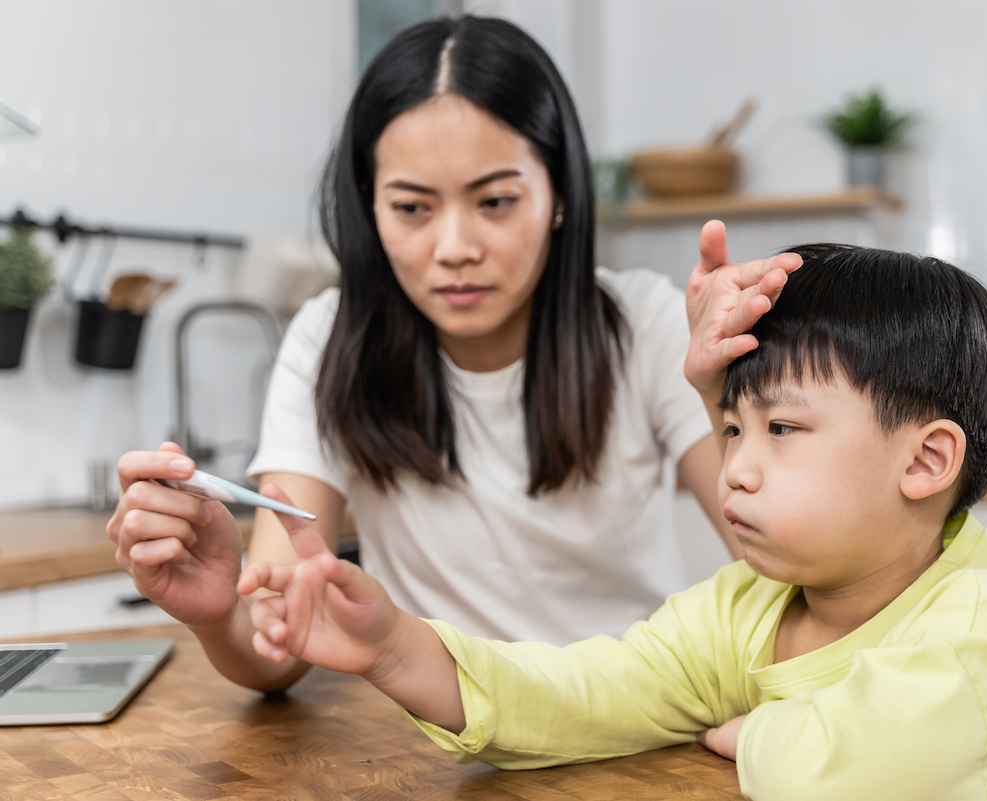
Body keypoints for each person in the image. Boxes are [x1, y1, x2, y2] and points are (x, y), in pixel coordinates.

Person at [236, 244, 987, 800]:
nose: (739, 467)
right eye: (730, 428)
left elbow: (840, 771)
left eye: (781, 430)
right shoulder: (747, 605)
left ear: (926, 461)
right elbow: (588, 692)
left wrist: (756, 732)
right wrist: (395, 648)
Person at [107, 16, 800, 691]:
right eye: (412, 208)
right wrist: (218, 614)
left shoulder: (645, 324)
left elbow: (786, 567)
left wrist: (725, 391)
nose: (455, 247)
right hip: (433, 736)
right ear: (368, 206)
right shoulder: (329, 337)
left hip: (630, 717)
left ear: (559, 193)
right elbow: (280, 641)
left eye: (495, 201)